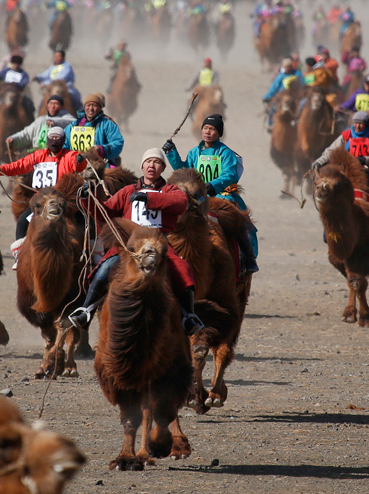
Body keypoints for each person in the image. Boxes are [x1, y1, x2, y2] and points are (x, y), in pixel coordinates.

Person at [68, 148, 204, 335]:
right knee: (106, 266)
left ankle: (188, 316)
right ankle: (86, 310)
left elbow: (180, 203)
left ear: (162, 167)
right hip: (129, 244)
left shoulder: (171, 190)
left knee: (182, 268)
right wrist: (88, 199)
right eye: (148, 162)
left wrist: (148, 197)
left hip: (158, 242)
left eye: (156, 162)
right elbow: (105, 212)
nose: (151, 165)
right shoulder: (127, 191)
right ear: (142, 165)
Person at [163, 114, 259, 274]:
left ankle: (248, 258)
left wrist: (213, 186)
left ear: (219, 133)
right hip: (199, 197)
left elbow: (230, 174)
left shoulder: (226, 153)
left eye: (212, 129)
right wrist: (172, 153)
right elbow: (185, 170)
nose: (208, 132)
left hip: (222, 196)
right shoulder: (195, 152)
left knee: (240, 222)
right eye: (206, 128)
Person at [0, 126, 86, 268]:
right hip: (42, 200)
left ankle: (94, 251)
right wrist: (2, 170)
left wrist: (80, 161)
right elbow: (21, 165)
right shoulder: (38, 155)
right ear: (47, 140)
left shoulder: (70, 155)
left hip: (63, 199)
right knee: (22, 223)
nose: (54, 141)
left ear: (63, 141)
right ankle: (19, 256)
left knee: (86, 220)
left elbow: (79, 165)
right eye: (52, 138)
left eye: (57, 138)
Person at [312, 111, 369, 219]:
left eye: (361, 123)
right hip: (348, 170)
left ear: (366, 124)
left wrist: (365, 160)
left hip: (368, 170)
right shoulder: (346, 136)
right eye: (355, 123)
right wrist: (319, 161)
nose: (358, 126)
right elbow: (330, 151)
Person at [62, 92, 123, 166]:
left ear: (100, 108)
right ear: (84, 107)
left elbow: (117, 143)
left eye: (94, 105)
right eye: (88, 105)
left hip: (101, 165)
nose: (91, 108)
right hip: (76, 164)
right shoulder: (75, 124)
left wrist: (101, 149)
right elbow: (63, 142)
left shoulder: (108, 124)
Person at [6, 94, 76, 154]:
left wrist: (54, 122)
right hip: (38, 154)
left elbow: (73, 123)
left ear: (62, 106)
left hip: (59, 155)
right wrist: (13, 139)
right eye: (51, 103)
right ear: (47, 105)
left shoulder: (67, 118)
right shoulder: (41, 120)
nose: (53, 106)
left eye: (56, 104)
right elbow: (26, 134)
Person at [0, 54, 35, 121]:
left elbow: (24, 82)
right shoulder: (6, 71)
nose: (15, 65)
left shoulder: (23, 74)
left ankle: (31, 123)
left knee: (29, 105)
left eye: (17, 63)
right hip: (5, 93)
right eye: (14, 63)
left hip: (17, 93)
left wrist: (15, 85)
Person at [262, 57, 303, 130]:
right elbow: (274, 88)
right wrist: (267, 96)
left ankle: (299, 122)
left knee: (301, 107)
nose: (287, 68)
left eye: (289, 66)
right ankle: (270, 122)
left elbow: (302, 84)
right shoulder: (281, 76)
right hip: (282, 96)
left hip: (294, 96)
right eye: (286, 67)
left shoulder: (297, 74)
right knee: (273, 107)